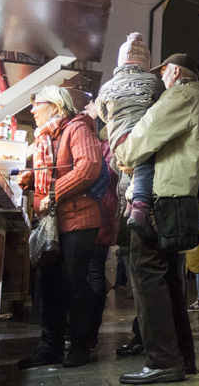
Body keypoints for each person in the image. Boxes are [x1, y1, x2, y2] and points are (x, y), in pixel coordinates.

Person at [115, 53, 199, 384]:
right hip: (179, 195)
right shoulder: (198, 99)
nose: (160, 79)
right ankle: (181, 358)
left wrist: (122, 153)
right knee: (170, 280)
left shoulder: (180, 94)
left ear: (173, 71)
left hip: (161, 196)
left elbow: (138, 142)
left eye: (162, 73)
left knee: (147, 276)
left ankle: (162, 360)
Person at [17, 86, 103, 369]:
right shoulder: (44, 137)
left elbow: (88, 166)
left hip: (78, 220)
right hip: (53, 221)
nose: (32, 110)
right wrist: (33, 180)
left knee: (73, 283)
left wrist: (51, 193)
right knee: (49, 285)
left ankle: (80, 346)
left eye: (36, 104)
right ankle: (50, 347)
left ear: (54, 106)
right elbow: (57, 169)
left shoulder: (77, 128)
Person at [96, 32, 166, 241]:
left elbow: (103, 114)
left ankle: (126, 208)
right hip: (142, 134)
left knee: (127, 172)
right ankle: (139, 207)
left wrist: (115, 123)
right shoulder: (153, 81)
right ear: (145, 61)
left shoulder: (107, 86)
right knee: (145, 168)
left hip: (118, 139)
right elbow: (161, 106)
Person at [83, 101, 121, 351]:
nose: (87, 108)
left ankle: (89, 333)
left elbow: (101, 175)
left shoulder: (105, 146)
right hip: (103, 212)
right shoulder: (108, 144)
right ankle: (88, 332)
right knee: (93, 271)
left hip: (99, 213)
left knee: (93, 272)